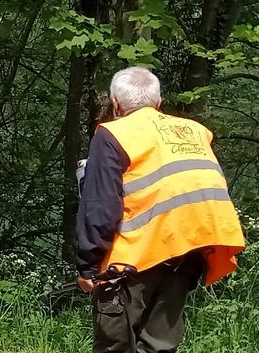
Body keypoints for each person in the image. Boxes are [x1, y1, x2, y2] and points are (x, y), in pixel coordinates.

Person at [73, 67, 246, 353]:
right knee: (159, 347)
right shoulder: (195, 132)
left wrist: (89, 266)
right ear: (158, 102)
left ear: (116, 105)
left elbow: (100, 206)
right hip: (187, 255)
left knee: (114, 346)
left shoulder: (112, 134)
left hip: (130, 262)